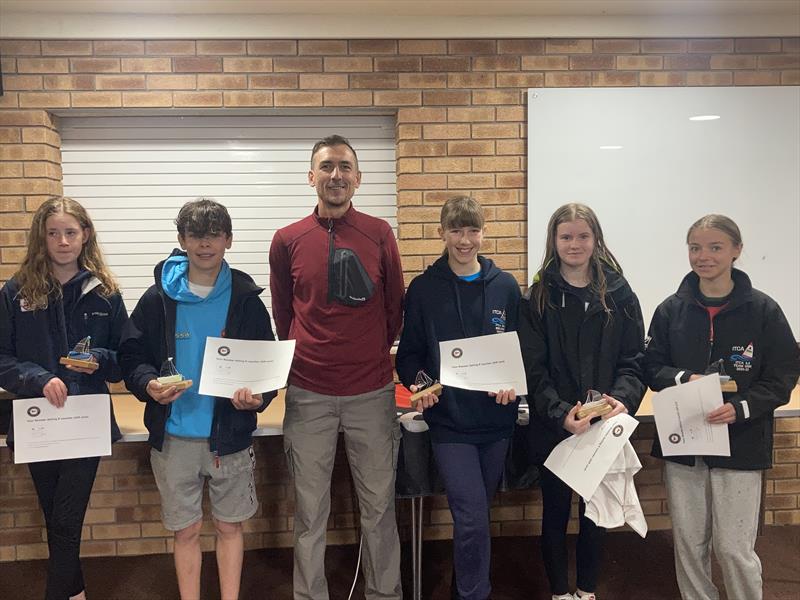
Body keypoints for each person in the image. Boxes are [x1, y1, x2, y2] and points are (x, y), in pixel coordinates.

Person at [118, 199, 276, 600]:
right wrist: (149, 384)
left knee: (229, 527)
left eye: (213, 236)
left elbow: (267, 364)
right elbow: (132, 356)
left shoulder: (246, 299)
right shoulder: (158, 299)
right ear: (182, 240)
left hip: (230, 436)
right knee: (186, 530)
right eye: (196, 236)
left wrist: (258, 398)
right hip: (174, 436)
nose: (205, 245)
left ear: (228, 240)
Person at [269, 134, 404, 600]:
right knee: (310, 512)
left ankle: (384, 594)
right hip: (308, 394)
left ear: (358, 178)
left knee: (379, 509)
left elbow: (394, 310)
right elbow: (284, 314)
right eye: (327, 167)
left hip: (371, 392)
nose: (336, 175)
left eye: (345, 167)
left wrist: (365, 353)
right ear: (311, 176)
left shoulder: (379, 232)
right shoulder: (287, 240)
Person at [645, 214, 800, 600]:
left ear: (736, 250)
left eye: (715, 247)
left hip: (741, 442)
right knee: (689, 545)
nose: (703, 256)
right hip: (686, 441)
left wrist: (743, 408)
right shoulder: (670, 310)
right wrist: (685, 380)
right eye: (695, 247)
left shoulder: (764, 311)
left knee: (733, 548)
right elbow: (651, 367)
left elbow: (782, 376)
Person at [0, 196, 127, 600]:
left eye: (70, 232)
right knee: (55, 517)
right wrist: (36, 378)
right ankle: (75, 592)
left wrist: (99, 361)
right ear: (42, 237)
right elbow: (1, 356)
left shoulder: (104, 292)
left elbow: (126, 360)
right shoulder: (17, 291)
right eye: (53, 233)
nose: (62, 241)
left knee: (67, 519)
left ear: (85, 235)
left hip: (84, 420)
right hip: (38, 419)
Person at [518, 203, 646, 600]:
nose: (575, 244)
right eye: (566, 236)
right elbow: (532, 368)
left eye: (582, 236)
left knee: (595, 515)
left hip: (603, 426)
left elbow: (634, 360)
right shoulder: (537, 297)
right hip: (556, 427)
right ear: (554, 242)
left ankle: (586, 590)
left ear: (596, 239)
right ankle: (559, 593)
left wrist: (622, 399)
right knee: (554, 514)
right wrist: (561, 415)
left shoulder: (620, 294)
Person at [396, 196, 520, 600]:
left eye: (472, 230)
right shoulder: (424, 288)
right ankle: (474, 594)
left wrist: (513, 384)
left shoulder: (505, 287)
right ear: (442, 233)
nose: (464, 240)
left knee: (477, 517)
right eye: (456, 230)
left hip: (496, 422)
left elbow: (521, 352)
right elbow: (411, 352)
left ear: (483, 233)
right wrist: (421, 384)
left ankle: (461, 587)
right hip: (449, 424)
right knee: (470, 520)